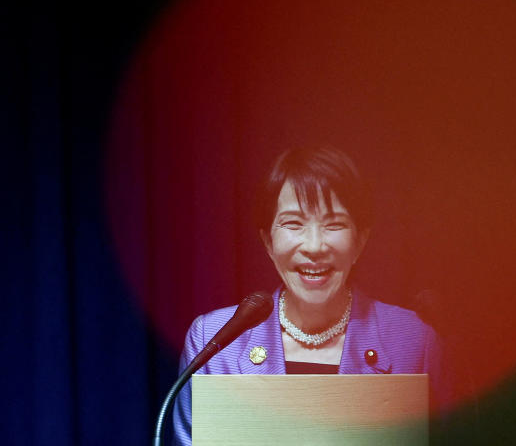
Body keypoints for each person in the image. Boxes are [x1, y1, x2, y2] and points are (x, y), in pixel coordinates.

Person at [172, 146, 446, 445]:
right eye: (293, 223)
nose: (314, 246)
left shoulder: (414, 341)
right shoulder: (213, 340)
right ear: (268, 241)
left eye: (334, 224)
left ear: (360, 240)